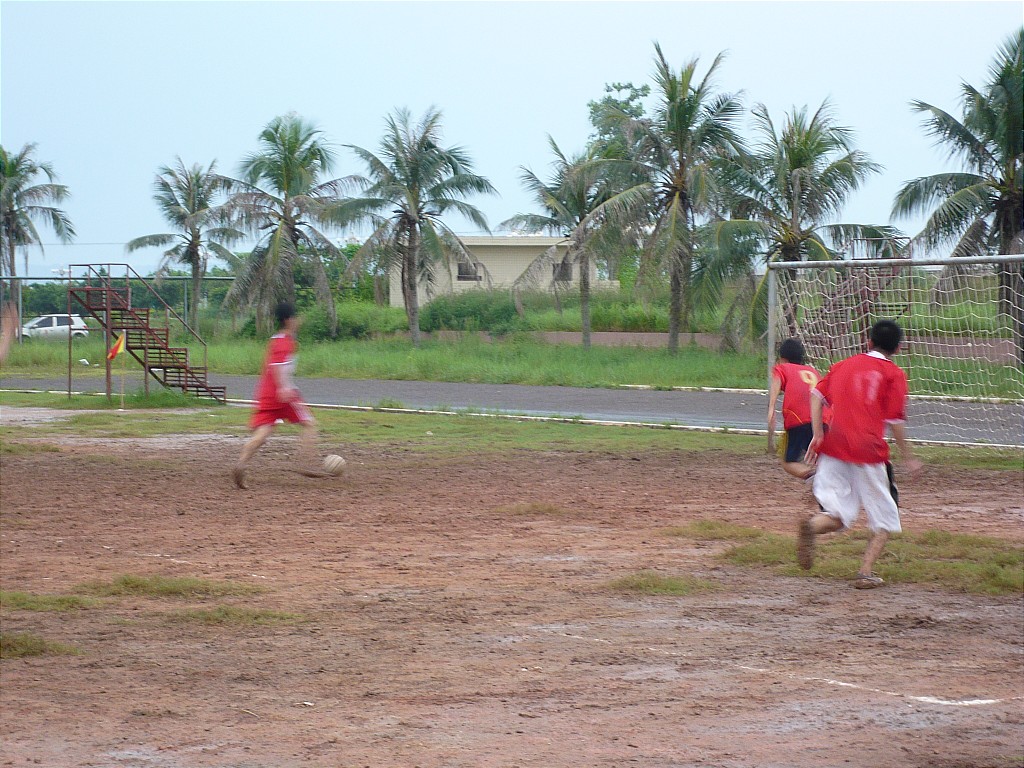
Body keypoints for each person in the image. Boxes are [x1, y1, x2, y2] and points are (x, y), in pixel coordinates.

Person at [799, 319, 923, 588]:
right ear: (898, 348)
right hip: (869, 450)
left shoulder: (843, 365)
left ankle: (812, 526)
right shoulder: (894, 374)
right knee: (885, 516)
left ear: (868, 342)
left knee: (838, 514)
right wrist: (909, 457)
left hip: (833, 446)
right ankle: (865, 572)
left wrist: (818, 434)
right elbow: (895, 421)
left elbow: (816, 396)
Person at [233, 302, 326, 489]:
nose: (299, 321)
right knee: (310, 424)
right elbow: (277, 366)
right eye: (296, 317)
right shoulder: (285, 342)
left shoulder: (276, 340)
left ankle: (241, 462)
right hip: (283, 393)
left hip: (266, 393)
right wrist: (283, 388)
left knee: (263, 432)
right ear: (289, 320)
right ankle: (305, 463)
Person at [767, 337, 820, 480]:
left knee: (788, 462)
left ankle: (816, 477)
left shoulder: (783, 368)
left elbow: (777, 380)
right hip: (821, 421)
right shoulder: (813, 371)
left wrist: (771, 408)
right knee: (821, 457)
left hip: (798, 419)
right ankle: (828, 477)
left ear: (783, 358)